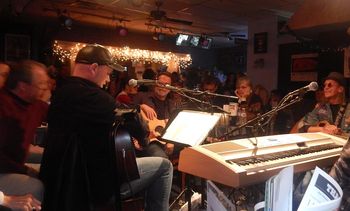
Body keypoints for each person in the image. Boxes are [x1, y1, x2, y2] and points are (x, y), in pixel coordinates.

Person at [39, 44, 173, 211]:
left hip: (65, 180)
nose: (108, 80)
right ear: (94, 68)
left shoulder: (63, 91)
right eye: (108, 73)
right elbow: (133, 119)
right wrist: (144, 139)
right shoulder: (91, 95)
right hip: (91, 185)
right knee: (164, 167)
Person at [0, 60, 50, 201]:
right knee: (36, 186)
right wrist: (25, 171)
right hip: (2, 169)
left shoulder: (35, 105)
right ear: (22, 86)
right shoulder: (3, 106)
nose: (46, 88)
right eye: (41, 84)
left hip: (12, 164)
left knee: (46, 160)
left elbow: (60, 115)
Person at [133, 71, 175, 158]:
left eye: (166, 85)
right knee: (162, 159)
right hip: (148, 141)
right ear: (155, 84)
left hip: (166, 140)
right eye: (160, 83)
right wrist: (141, 106)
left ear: (170, 88)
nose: (163, 87)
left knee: (193, 151)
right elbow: (125, 108)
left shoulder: (171, 104)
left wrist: (171, 141)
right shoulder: (142, 96)